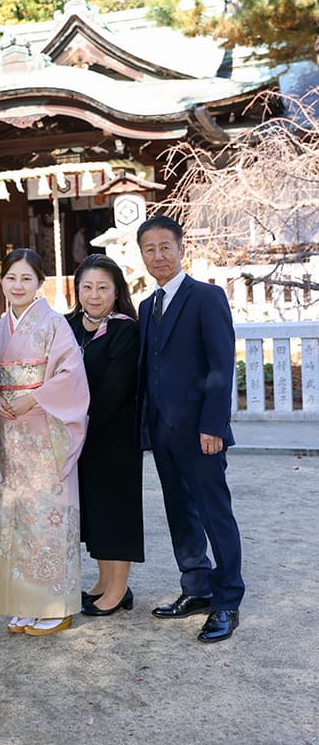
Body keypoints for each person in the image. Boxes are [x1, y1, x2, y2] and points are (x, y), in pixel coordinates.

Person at [137, 214, 244, 643]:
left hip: (202, 431)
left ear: (181, 249)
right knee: (180, 513)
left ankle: (227, 600)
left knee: (215, 512)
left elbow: (221, 366)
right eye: (150, 249)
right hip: (162, 430)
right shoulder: (148, 307)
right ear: (141, 255)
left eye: (166, 246)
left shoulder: (206, 297)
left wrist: (213, 425)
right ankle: (196, 587)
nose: (158, 255)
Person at [0, 248, 89, 636]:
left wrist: (32, 397)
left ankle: (53, 604)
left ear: (40, 283)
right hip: (8, 428)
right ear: (2, 282)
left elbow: (70, 373)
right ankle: (22, 602)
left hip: (43, 428)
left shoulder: (54, 324)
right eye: (11, 278)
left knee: (45, 515)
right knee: (12, 518)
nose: (18, 285)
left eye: (26, 278)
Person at [67, 255, 144, 618]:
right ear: (76, 289)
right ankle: (103, 581)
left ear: (116, 292)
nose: (94, 295)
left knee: (116, 510)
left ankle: (118, 589)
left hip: (113, 435)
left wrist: (79, 424)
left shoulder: (125, 329)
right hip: (79, 436)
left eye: (103, 288)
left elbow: (116, 387)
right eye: (87, 287)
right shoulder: (68, 325)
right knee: (94, 511)